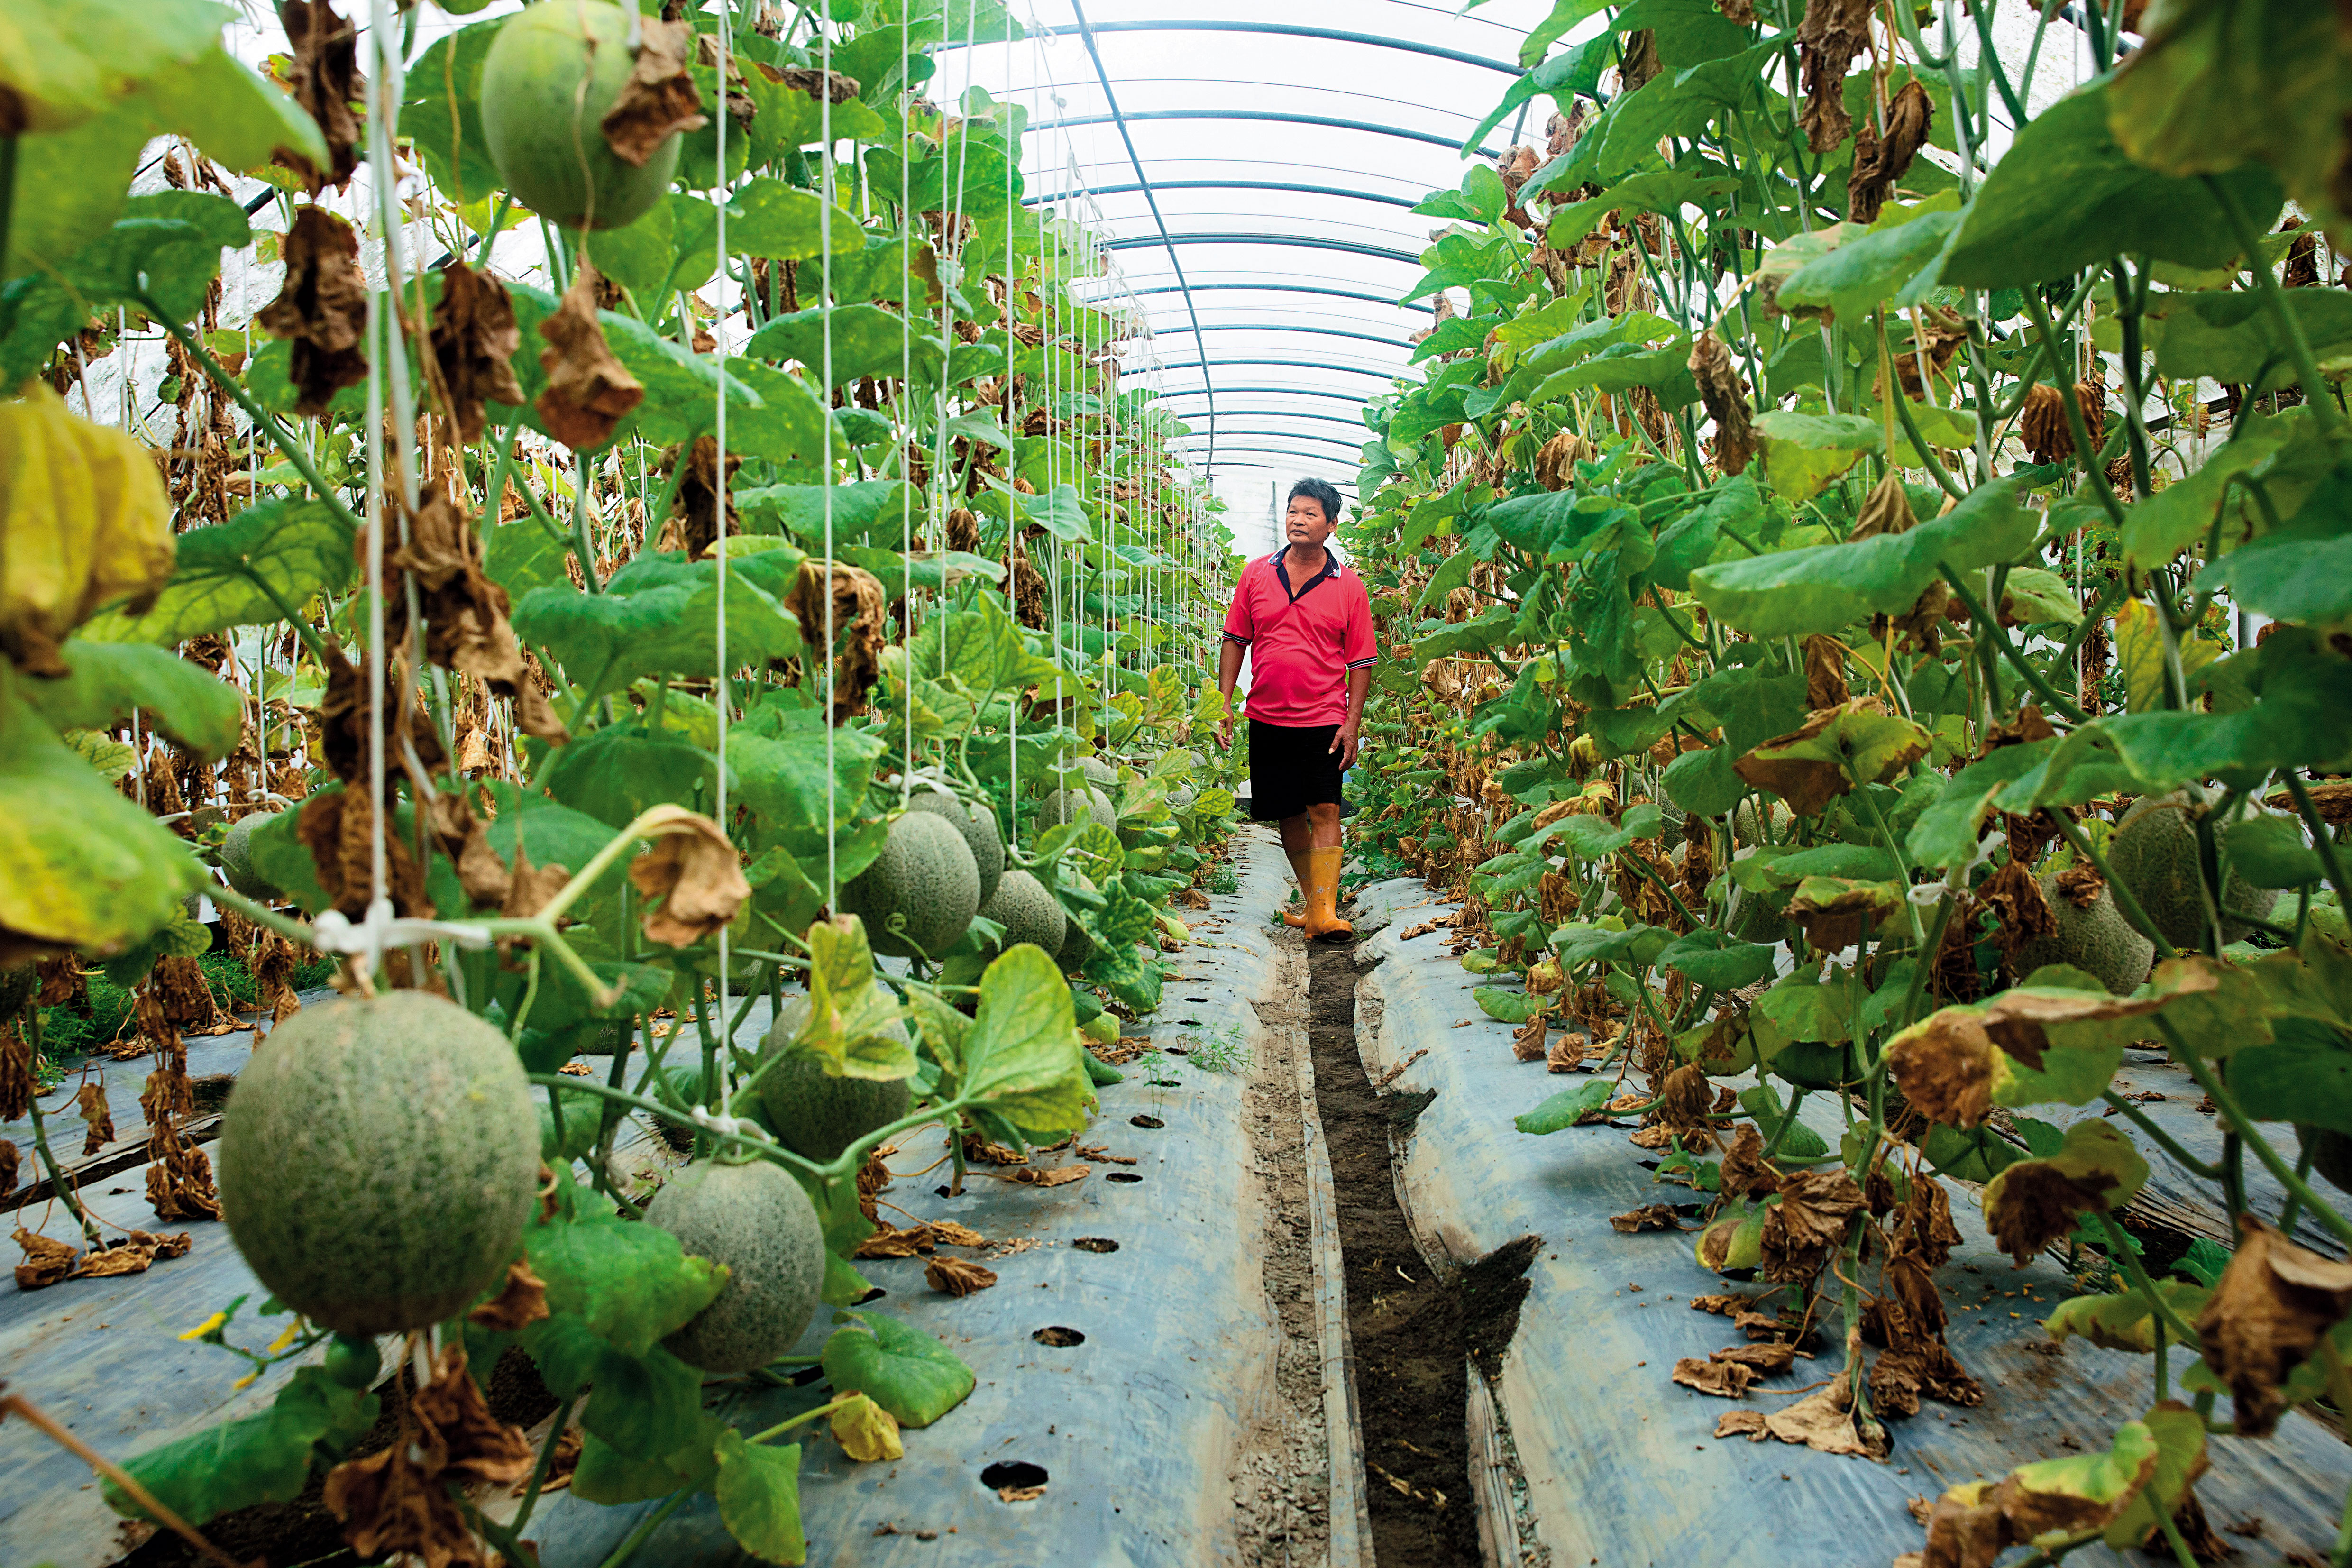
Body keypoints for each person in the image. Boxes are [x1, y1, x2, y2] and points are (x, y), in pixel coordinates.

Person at [1215, 477, 1376, 942]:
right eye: (1292, 511)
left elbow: (1361, 661)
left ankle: (1325, 912)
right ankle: (1313, 905)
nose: (1297, 520)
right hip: (1266, 713)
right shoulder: (1255, 575)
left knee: (1324, 807)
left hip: (1324, 715)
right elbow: (1235, 640)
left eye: (1309, 513)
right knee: (1287, 812)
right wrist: (1224, 702)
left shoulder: (1349, 587)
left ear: (1331, 525)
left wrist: (1351, 723)